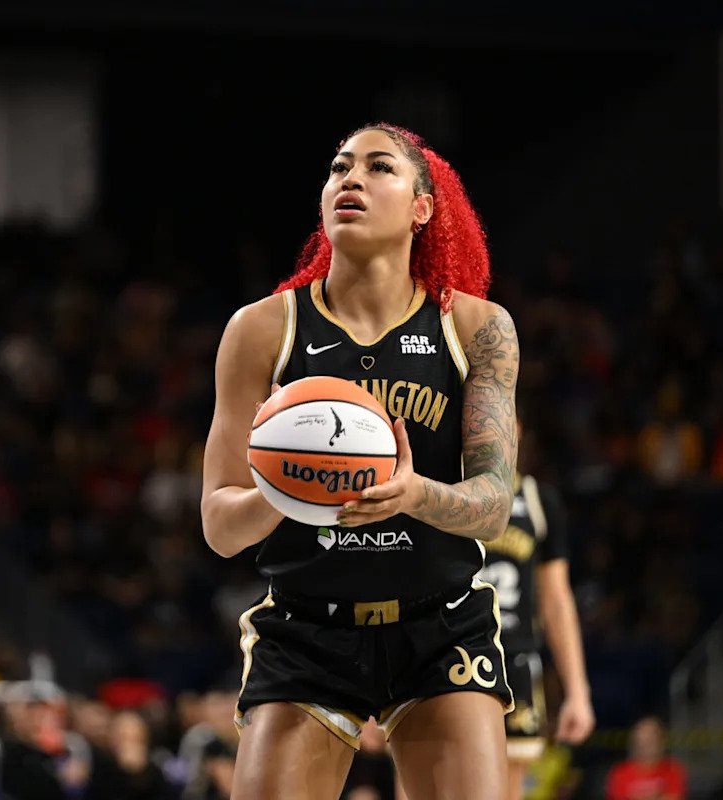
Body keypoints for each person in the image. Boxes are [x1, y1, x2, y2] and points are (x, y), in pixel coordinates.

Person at [202, 123, 519, 799]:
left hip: (439, 625)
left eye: (379, 168)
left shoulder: (476, 327)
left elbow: (494, 508)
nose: (351, 179)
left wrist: (411, 493)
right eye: (339, 167)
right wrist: (285, 490)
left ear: (422, 207)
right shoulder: (261, 329)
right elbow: (220, 526)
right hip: (306, 629)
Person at [480, 417, 595, 800]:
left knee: (509, 789)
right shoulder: (440, 491)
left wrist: (577, 691)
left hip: (514, 659)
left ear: (519, 430)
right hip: (446, 653)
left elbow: (557, 601)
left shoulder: (536, 500)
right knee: (424, 779)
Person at [604, 716, 687, 800]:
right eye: (642, 740)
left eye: (651, 739)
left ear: (661, 741)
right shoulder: (619, 774)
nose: (645, 745)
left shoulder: (672, 770)